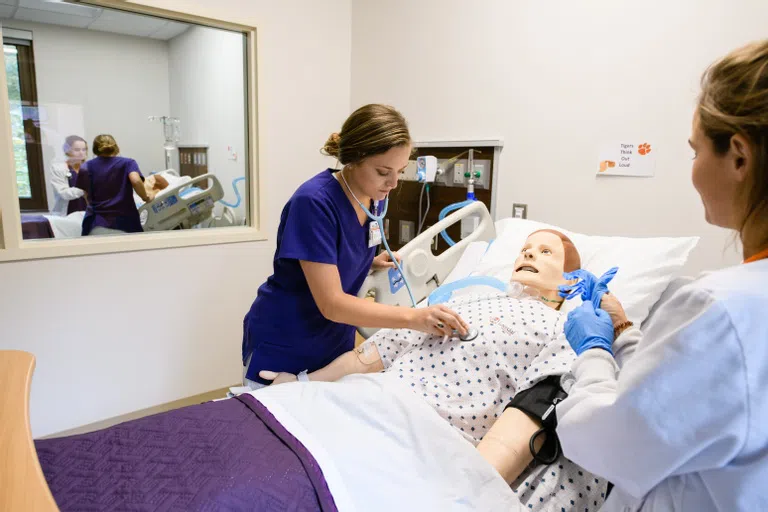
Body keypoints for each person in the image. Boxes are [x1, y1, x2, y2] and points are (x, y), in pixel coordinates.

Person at [552, 40, 768, 511]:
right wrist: (624, 329)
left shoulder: (725, 306)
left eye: (694, 152)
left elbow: (607, 441)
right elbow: (681, 393)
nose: (692, 171)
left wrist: (593, 352)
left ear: (738, 155)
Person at [260, 230, 608, 511]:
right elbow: (374, 354)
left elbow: (531, 413)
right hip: (367, 402)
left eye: (545, 252)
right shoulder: (468, 300)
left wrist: (467, 495)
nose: (528, 254)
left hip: (427, 439)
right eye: (525, 248)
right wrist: (300, 385)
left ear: (569, 280)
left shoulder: (566, 330)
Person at [242, 104, 468, 389]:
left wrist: (368, 260)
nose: (394, 183)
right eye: (384, 171)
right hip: (288, 340)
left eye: (400, 170)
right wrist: (415, 317)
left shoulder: (374, 196)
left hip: (334, 343)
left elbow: (336, 248)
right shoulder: (314, 203)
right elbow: (332, 303)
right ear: (353, 159)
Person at [77, 134, 153, 236]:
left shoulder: (86, 166)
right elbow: (136, 181)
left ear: (95, 149)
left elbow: (86, 194)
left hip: (96, 223)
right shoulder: (128, 163)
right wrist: (145, 197)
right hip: (125, 222)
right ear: (115, 147)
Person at [50, 135, 88, 216]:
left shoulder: (90, 168)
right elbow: (63, 193)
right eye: (77, 150)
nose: (81, 153)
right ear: (67, 150)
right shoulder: (59, 168)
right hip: (67, 214)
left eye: (84, 149)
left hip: (87, 213)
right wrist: (84, 190)